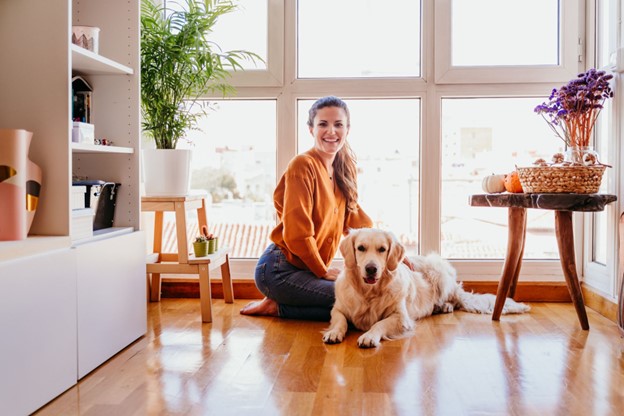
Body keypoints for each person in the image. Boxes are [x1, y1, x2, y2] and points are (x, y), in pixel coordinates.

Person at [240, 96, 374, 321]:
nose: (331, 131)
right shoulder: (302, 165)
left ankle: (279, 305)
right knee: (358, 300)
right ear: (311, 129)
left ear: (347, 130)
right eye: (323, 124)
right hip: (279, 271)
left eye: (338, 124)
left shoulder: (343, 171)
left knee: (364, 300)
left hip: (307, 272)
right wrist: (323, 271)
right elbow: (298, 234)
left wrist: (394, 254)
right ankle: (277, 306)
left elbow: (359, 225)